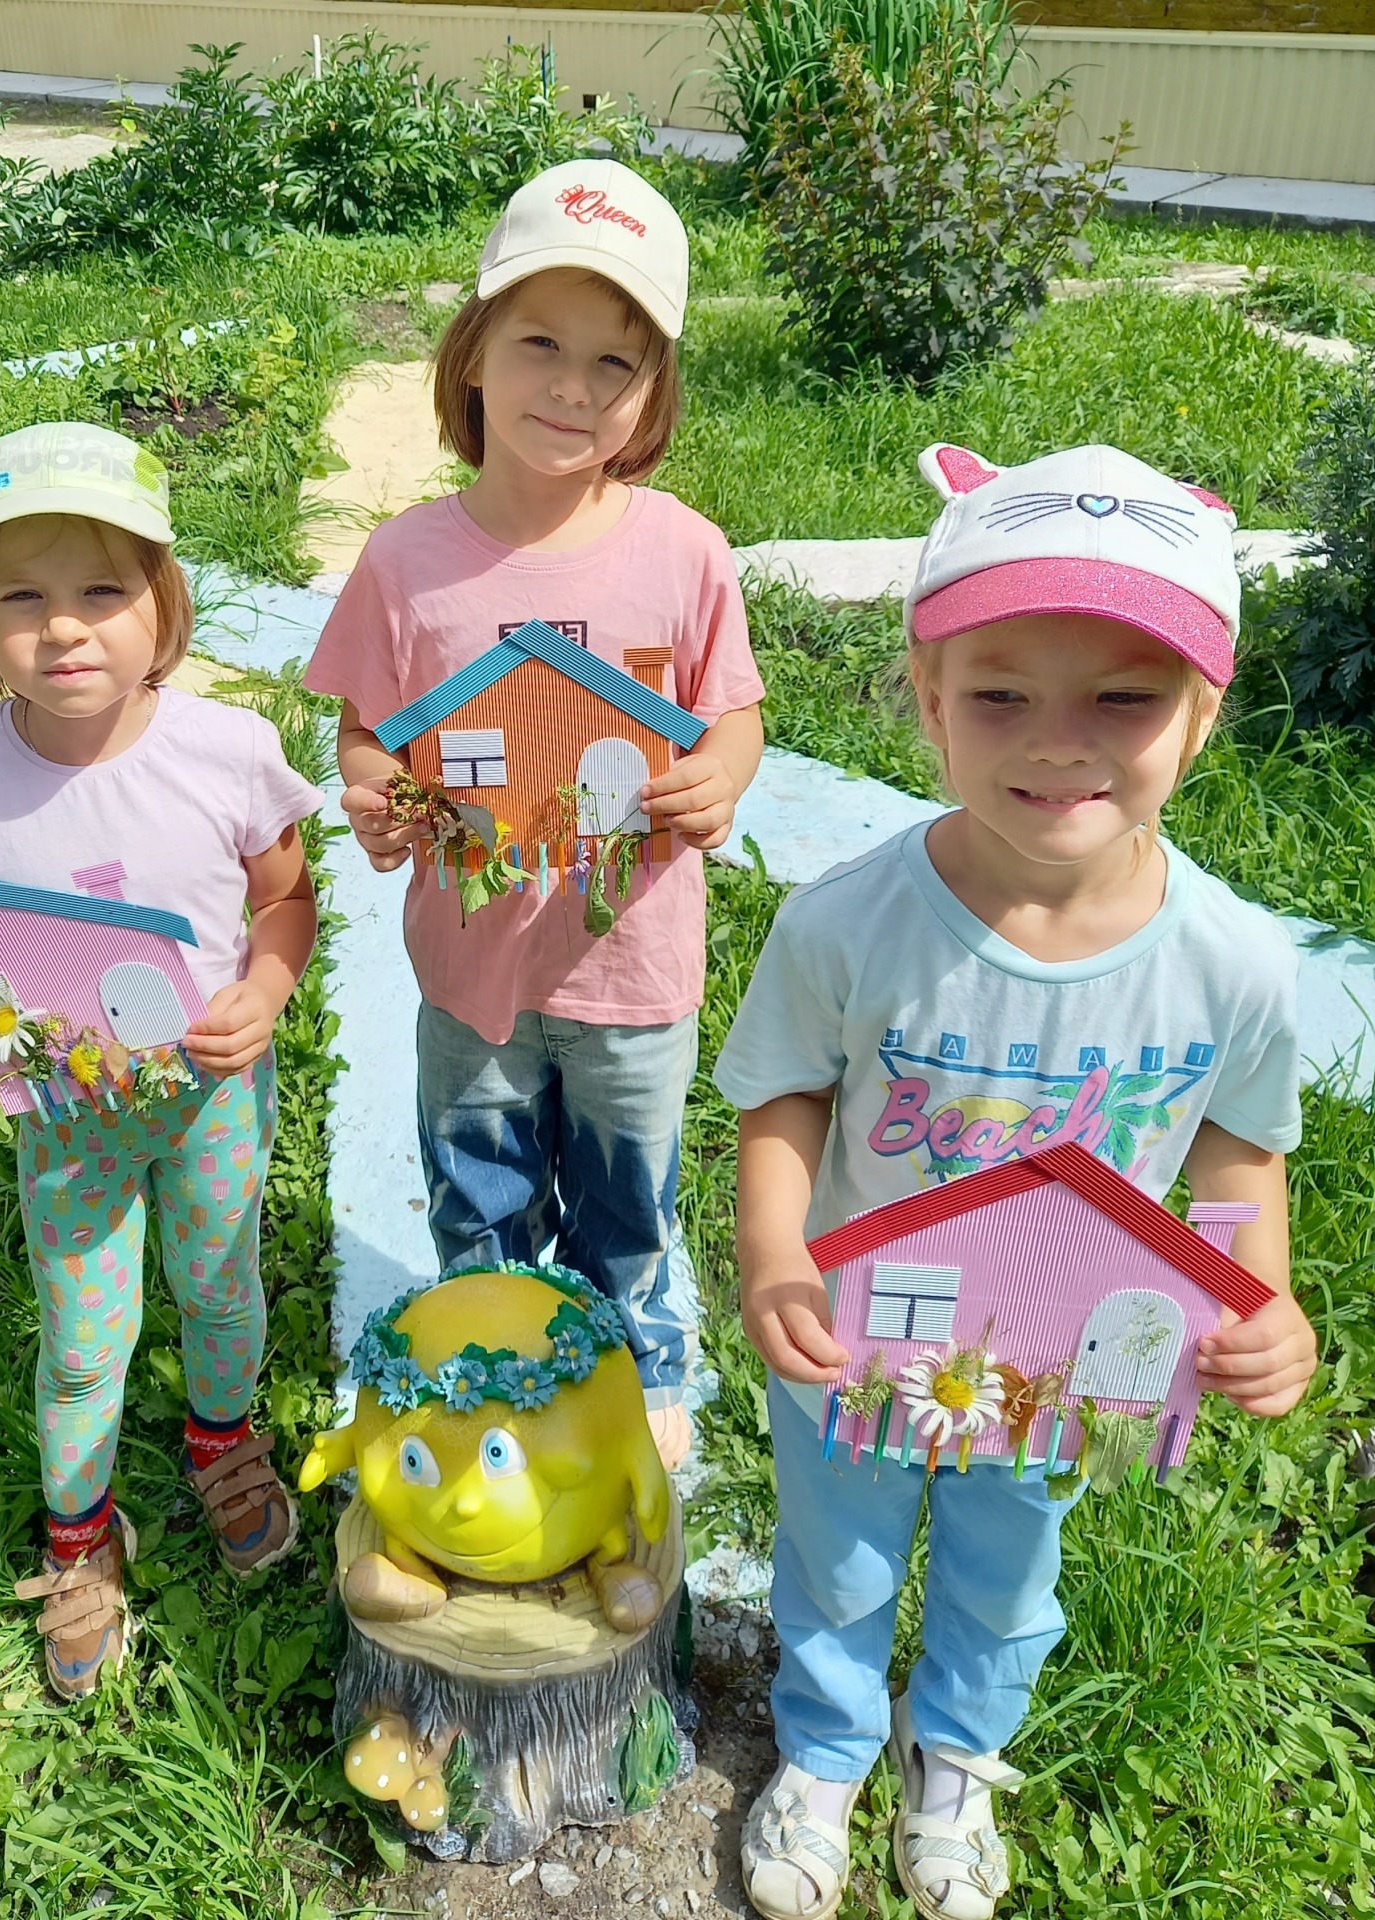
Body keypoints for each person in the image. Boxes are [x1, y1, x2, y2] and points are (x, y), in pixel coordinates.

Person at [714, 443, 1319, 1920]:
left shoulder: (1233, 963)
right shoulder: (846, 925)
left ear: (1206, 713)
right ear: (927, 699)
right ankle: (828, 1747)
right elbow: (785, 1093)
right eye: (999, 695)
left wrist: (1264, 1295)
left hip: (1067, 1359)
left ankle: (957, 1752)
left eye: (1124, 697)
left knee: (1008, 1570)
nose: (1059, 745)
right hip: (861, 1332)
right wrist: (777, 1252)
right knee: (840, 1561)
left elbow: (1238, 1142)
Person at [304, 160, 765, 1487]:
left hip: (635, 971)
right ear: (472, 355)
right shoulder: (407, 561)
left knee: (629, 1197)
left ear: (655, 393)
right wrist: (372, 792)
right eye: (540, 344)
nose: (573, 387)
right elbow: (368, 726)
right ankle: (490, 1358)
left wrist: (721, 777)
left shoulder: (684, 551)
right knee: (480, 1186)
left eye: (616, 362)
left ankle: (641, 1366)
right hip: (472, 974)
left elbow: (732, 714)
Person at [0, 422, 323, 1698]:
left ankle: (220, 1437)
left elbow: (285, 899)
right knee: (80, 1341)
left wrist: (265, 990)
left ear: (163, 605)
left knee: (221, 1284)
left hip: (211, 1097)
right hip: (68, 1120)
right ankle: (80, 1533)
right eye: (22, 596)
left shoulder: (225, 752)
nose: (64, 628)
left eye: (102, 591)